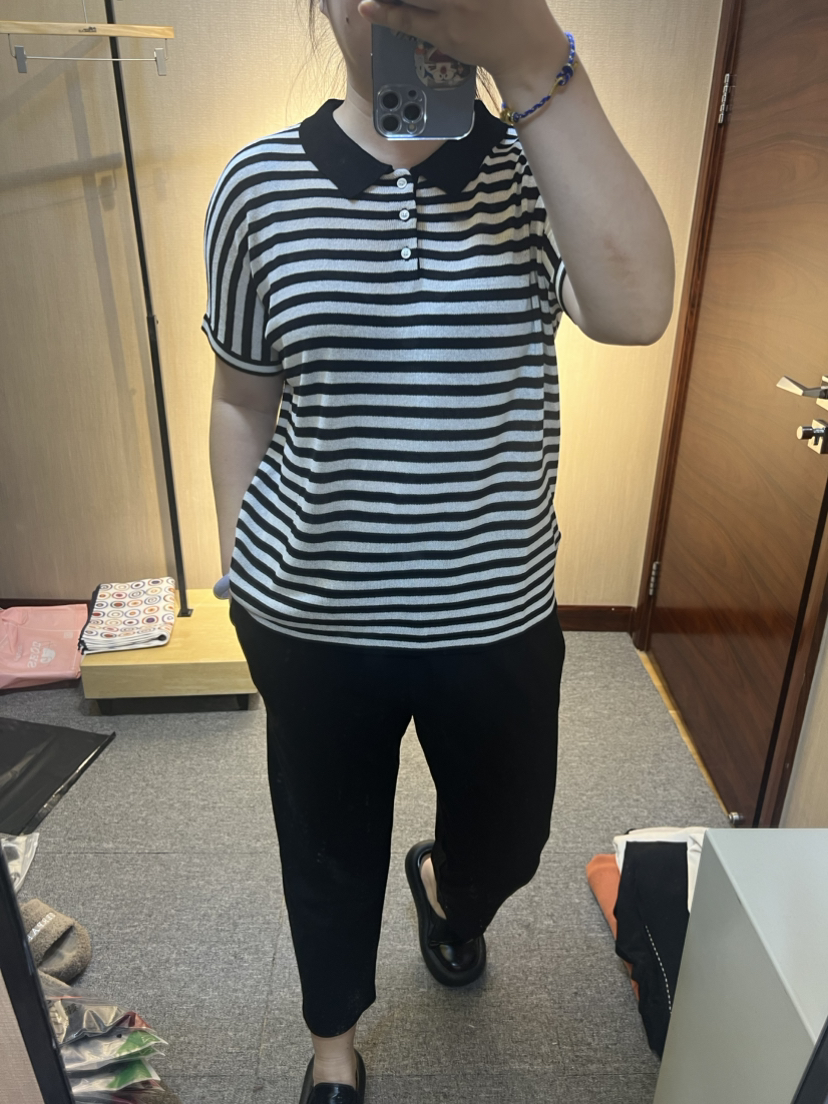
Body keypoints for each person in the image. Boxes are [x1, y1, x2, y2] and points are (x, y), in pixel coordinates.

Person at [204, 1, 675, 1101]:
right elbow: (242, 396)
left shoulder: (536, 170)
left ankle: (449, 894)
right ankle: (332, 1046)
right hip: (313, 616)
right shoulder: (258, 185)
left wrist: (535, 60)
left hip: (494, 616)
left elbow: (637, 309)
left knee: (509, 842)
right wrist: (238, 567)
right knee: (326, 848)